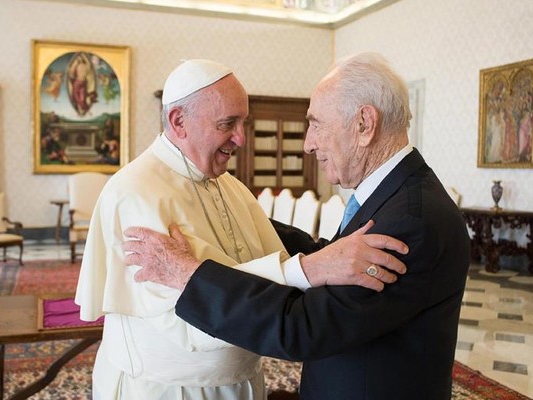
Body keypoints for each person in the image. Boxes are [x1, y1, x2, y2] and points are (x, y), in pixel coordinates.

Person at [123, 52, 471, 400]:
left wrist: (187, 274)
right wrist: (233, 217)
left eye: (316, 123)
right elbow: (334, 259)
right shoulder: (399, 192)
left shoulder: (411, 222)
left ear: (365, 124)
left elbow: (302, 326)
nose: (308, 143)